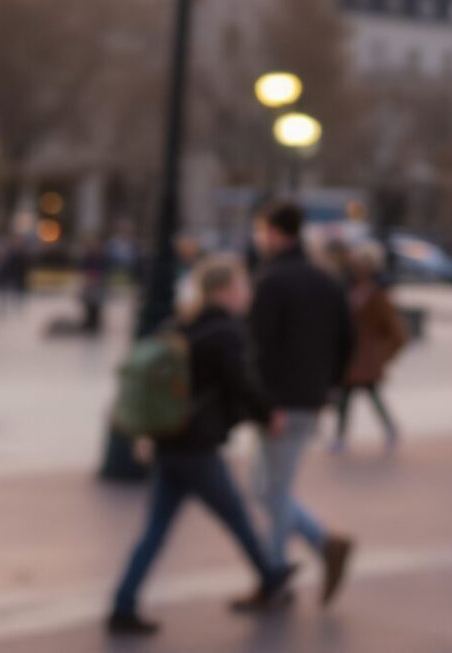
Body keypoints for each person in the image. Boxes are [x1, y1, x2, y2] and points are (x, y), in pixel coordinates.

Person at [106, 256, 296, 636]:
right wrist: (267, 414)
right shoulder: (226, 332)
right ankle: (269, 574)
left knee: (156, 530)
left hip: (170, 442)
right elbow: (239, 382)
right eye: (243, 286)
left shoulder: (180, 324)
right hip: (196, 446)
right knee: (236, 515)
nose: (248, 294)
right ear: (226, 290)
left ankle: (123, 604)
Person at [246, 201, 356, 606]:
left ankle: (275, 574)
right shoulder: (325, 280)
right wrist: (330, 386)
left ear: (275, 232)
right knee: (263, 488)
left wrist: (262, 400)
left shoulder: (272, 280)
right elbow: (348, 340)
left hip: (279, 402)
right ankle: (324, 543)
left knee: (273, 491)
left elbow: (258, 347)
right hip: (308, 398)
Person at [332, 248, 407, 452]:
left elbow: (393, 329)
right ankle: (342, 436)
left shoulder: (376, 295)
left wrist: (384, 353)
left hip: (366, 355)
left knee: (367, 394)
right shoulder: (349, 292)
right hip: (354, 354)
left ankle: (386, 428)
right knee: (351, 397)